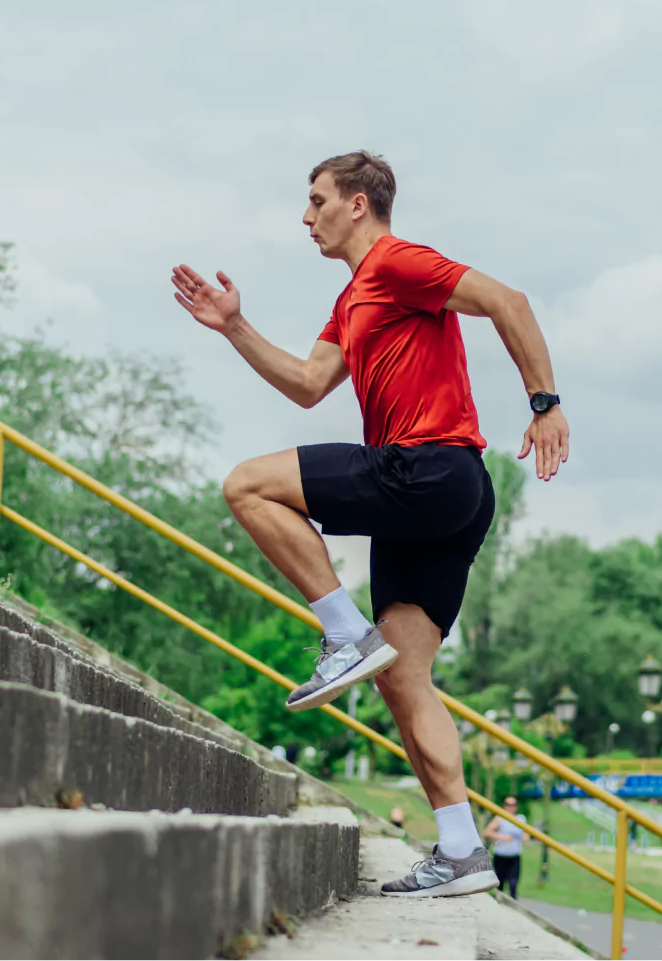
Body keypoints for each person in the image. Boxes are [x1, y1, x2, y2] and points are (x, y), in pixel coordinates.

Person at [172, 151, 570, 899]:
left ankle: (343, 632)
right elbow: (307, 384)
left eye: (316, 199)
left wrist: (544, 403)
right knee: (404, 677)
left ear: (358, 204)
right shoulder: (354, 298)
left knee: (247, 486)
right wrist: (234, 326)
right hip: (451, 494)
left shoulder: (396, 262)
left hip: (426, 468)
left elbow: (508, 301)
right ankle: (460, 850)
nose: (305, 215)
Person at [483, 796, 527, 899]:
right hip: (501, 855)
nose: (510, 807)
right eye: (508, 805)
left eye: (513, 805)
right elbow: (487, 832)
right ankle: (498, 906)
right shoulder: (499, 819)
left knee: (513, 884)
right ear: (504, 806)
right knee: (500, 884)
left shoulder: (520, 819)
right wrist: (502, 837)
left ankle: (514, 908)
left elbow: (525, 834)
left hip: (514, 856)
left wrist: (526, 837)